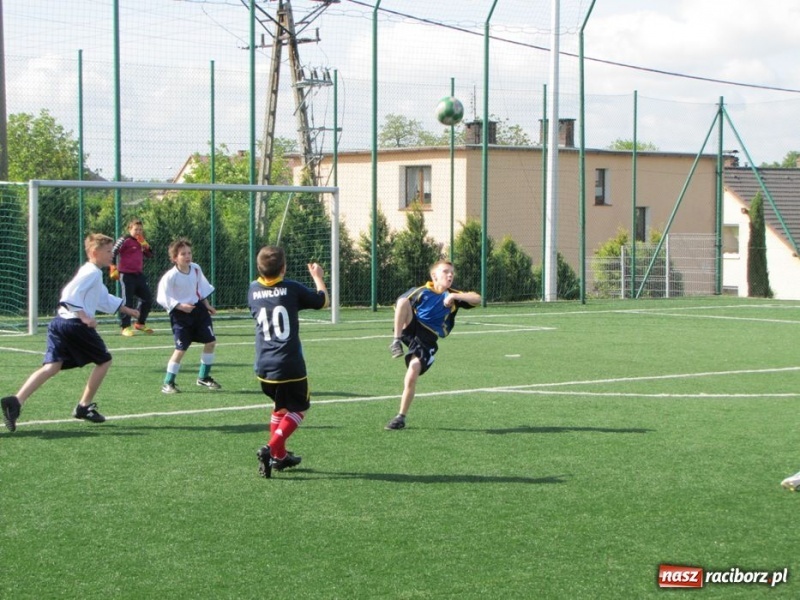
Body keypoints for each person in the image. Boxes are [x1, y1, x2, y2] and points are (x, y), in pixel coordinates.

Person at [1, 233, 140, 432]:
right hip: (73, 324)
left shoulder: (92, 272)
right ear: (94, 252)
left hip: (58, 323)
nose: (112, 255)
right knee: (105, 360)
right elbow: (68, 295)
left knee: (52, 367)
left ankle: (15, 401)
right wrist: (84, 317)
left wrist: (126, 309)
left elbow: (100, 297)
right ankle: (84, 406)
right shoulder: (91, 272)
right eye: (108, 251)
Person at [248, 246, 328, 478]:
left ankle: (280, 457)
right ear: (284, 268)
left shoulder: (253, 290)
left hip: (264, 366)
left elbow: (265, 286)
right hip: (289, 364)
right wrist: (318, 277)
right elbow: (322, 302)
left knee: (280, 407)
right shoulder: (290, 289)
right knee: (299, 408)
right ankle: (270, 448)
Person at [385, 259, 481, 430]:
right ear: (434, 276)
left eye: (452, 272)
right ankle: (396, 342)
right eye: (445, 271)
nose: (450, 275)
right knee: (403, 302)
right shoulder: (421, 292)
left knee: (413, 371)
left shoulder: (453, 295)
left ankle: (400, 417)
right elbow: (401, 306)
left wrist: (454, 296)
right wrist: (400, 334)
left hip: (426, 339)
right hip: (411, 328)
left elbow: (477, 298)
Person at [156, 237, 220, 394]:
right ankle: (168, 382)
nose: (187, 256)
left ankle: (203, 377)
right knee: (181, 348)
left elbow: (200, 290)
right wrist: (179, 306)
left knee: (210, 342)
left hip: (198, 311)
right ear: (174, 258)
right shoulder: (171, 276)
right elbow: (162, 297)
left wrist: (207, 305)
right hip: (180, 315)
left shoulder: (196, 268)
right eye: (183, 254)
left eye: (189, 253)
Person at [111, 217, 154, 336]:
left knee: (147, 298)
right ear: (130, 229)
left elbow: (150, 255)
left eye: (140, 230)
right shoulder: (124, 239)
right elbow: (113, 252)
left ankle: (140, 322)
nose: (138, 232)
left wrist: (146, 246)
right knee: (127, 300)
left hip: (138, 275)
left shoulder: (141, 241)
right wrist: (113, 267)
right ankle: (125, 327)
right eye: (136, 229)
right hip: (126, 275)